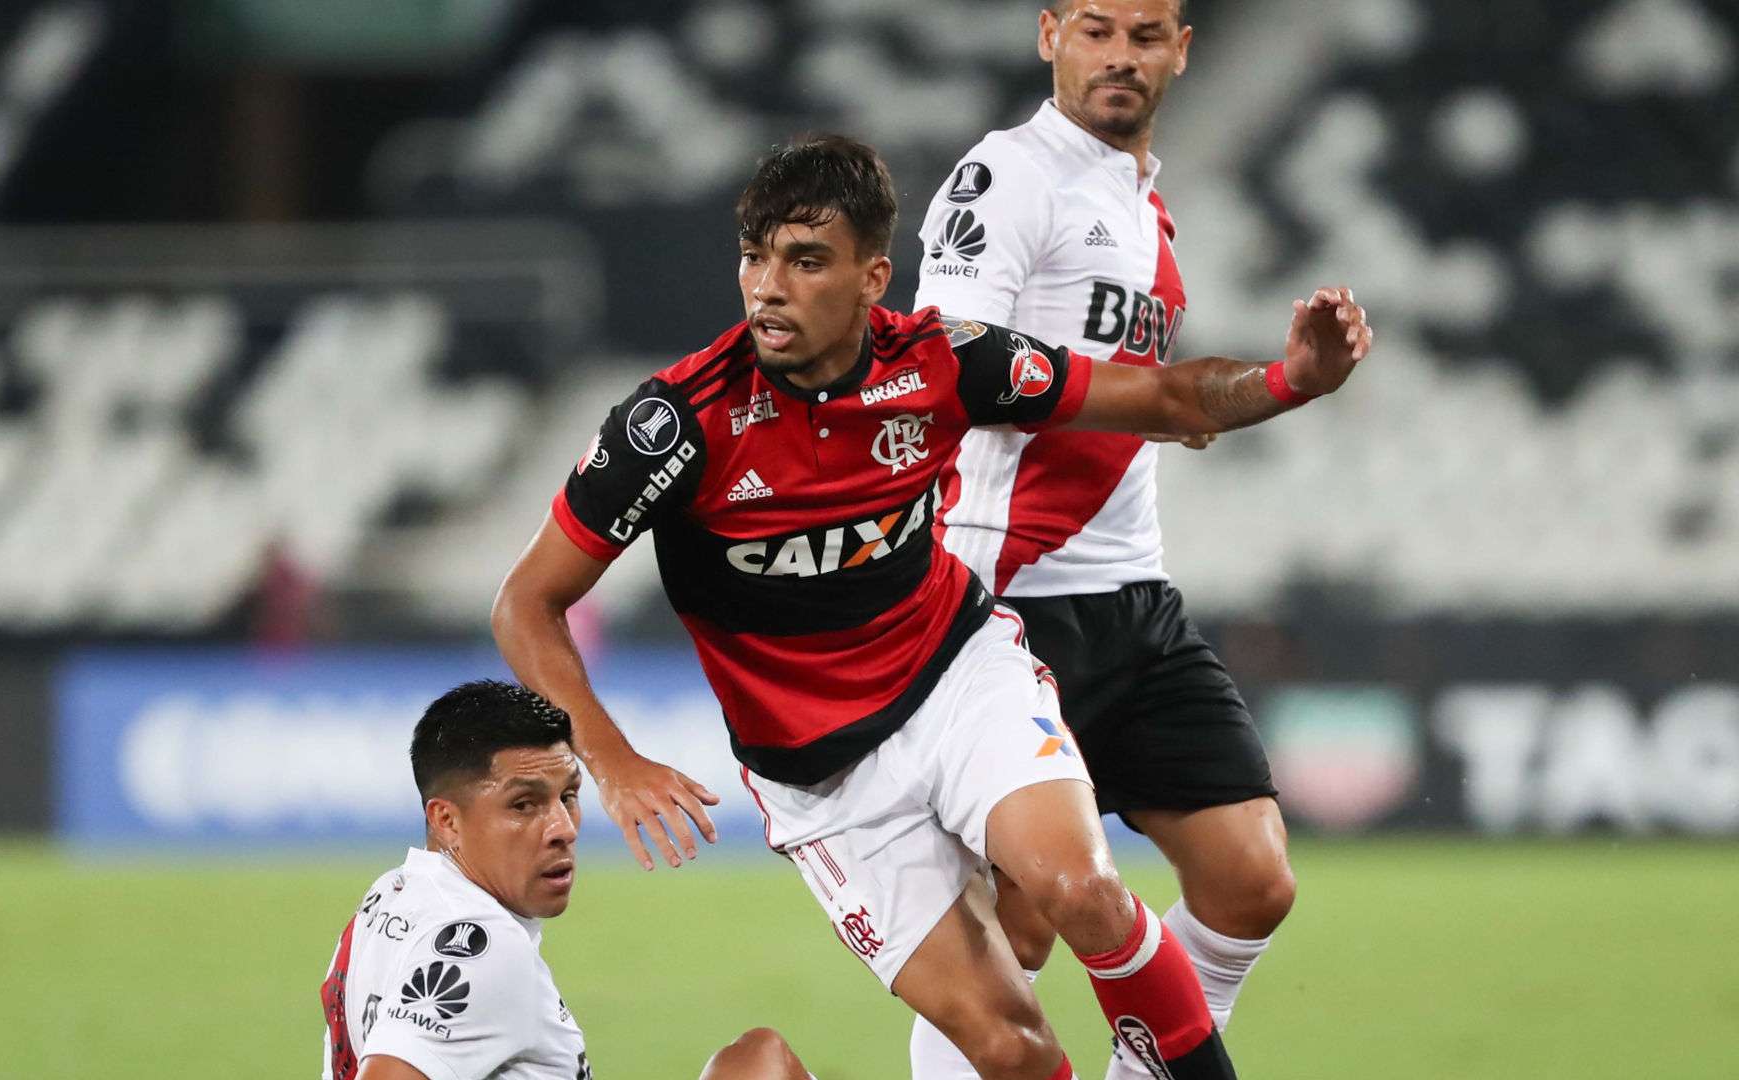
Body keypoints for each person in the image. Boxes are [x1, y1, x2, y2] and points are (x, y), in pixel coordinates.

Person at [493, 135, 1371, 1080]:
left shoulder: (943, 363)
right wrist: (612, 758)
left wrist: (1292, 382)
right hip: (826, 780)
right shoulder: (678, 425)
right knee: (1016, 1051)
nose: (768, 287)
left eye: (806, 258)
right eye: (755, 256)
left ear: (874, 277)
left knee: (1085, 891)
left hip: (958, 680)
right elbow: (526, 604)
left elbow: (1158, 393)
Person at [910, 3, 1333, 1077]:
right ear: (1049, 35)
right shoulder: (1006, 177)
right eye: (1097, 30)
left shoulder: (1142, 207)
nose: (1120, 57)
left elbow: (1152, 395)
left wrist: (1288, 384)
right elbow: (946, 360)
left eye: (1145, 35)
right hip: (1003, 594)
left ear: (1181, 51)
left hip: (1132, 593)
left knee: (1251, 878)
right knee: (1020, 925)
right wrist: (1147, 399)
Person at [319, 680, 812, 1080]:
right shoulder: (482, 946)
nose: (562, 828)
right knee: (763, 1066)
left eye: (569, 796)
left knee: (754, 1059)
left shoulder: (390, 894)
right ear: (447, 820)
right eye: (524, 805)